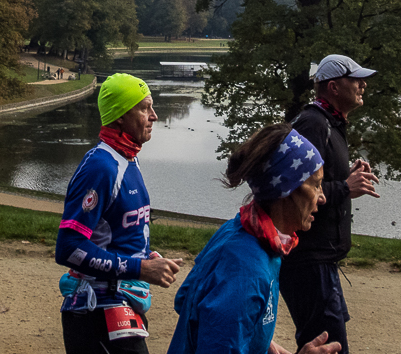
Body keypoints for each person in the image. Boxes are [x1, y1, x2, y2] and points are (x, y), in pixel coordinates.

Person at [167, 123, 342, 354]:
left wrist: (257, 340)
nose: (322, 198)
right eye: (316, 185)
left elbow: (186, 298)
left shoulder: (240, 230)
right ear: (286, 190)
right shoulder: (247, 271)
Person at [56, 73, 184, 354]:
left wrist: (143, 255)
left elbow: (116, 230)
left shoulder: (128, 158)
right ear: (119, 117)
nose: (154, 116)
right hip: (95, 310)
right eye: (144, 108)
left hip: (121, 304)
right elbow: (68, 247)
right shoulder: (101, 166)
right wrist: (140, 268)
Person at [279, 54, 381, 354]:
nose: (363, 85)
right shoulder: (313, 123)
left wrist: (344, 177)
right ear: (334, 87)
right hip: (309, 262)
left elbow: (318, 180)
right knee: (329, 348)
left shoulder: (331, 123)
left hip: (322, 261)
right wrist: (344, 188)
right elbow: (293, 191)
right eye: (356, 80)